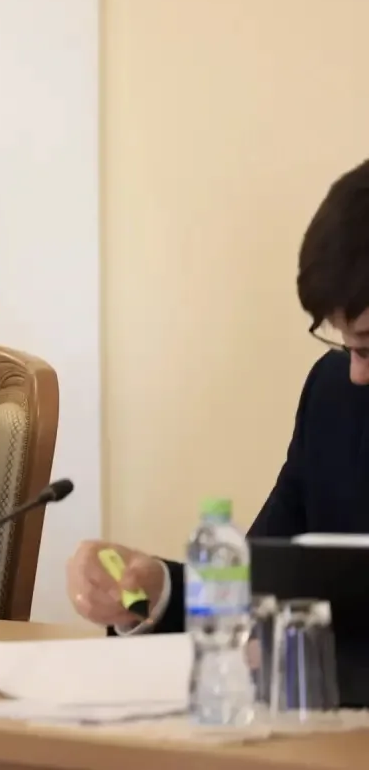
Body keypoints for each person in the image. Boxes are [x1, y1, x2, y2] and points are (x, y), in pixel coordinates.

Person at [68, 158, 369, 634]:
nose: (356, 373)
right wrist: (156, 593)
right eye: (348, 346)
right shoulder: (334, 397)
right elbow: (262, 582)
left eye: (367, 347)